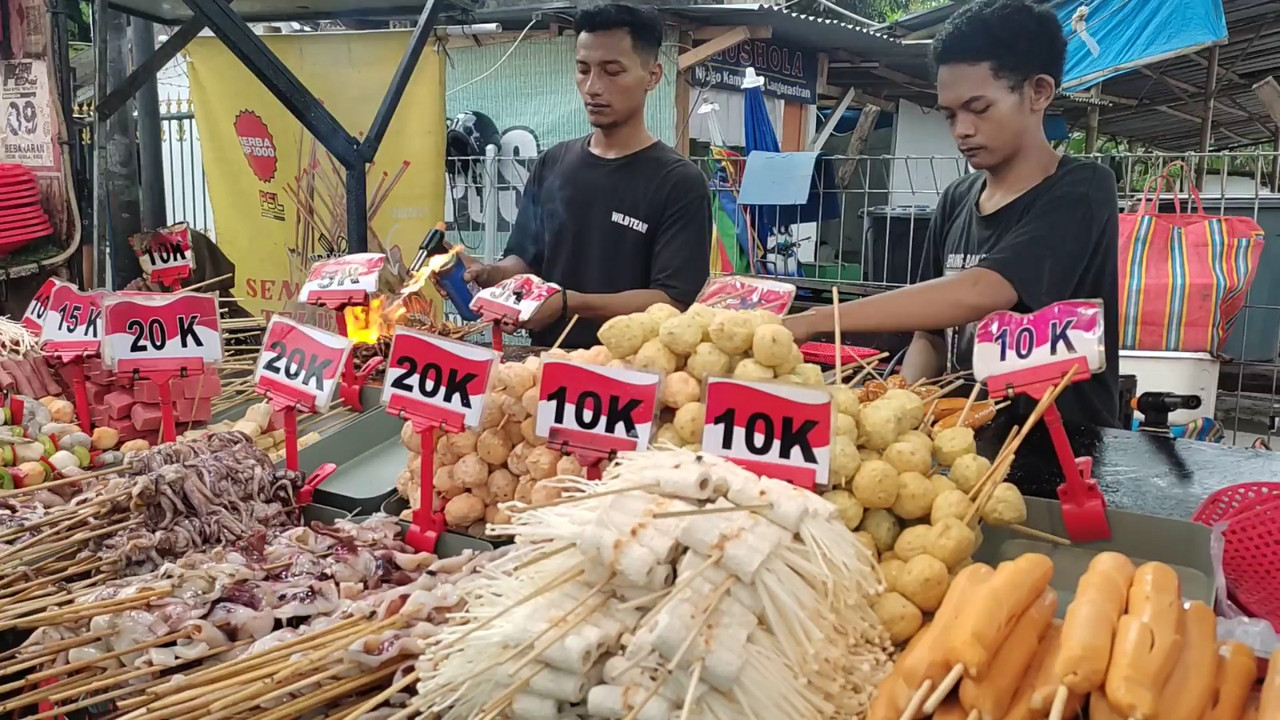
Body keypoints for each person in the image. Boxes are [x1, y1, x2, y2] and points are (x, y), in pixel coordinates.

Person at [786, 0, 1120, 428]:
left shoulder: (1083, 189)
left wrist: (818, 321)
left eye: (978, 109)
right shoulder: (957, 198)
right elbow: (931, 334)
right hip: (960, 438)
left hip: (1060, 448)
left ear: (1038, 92)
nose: (962, 129)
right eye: (950, 115)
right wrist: (898, 413)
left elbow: (982, 290)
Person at [463, 3, 712, 349]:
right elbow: (525, 260)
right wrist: (492, 275)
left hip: (634, 375)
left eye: (612, 71)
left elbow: (672, 301)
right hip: (540, 367)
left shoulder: (678, 182)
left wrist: (571, 304)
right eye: (583, 69)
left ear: (652, 76)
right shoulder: (554, 163)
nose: (593, 87)